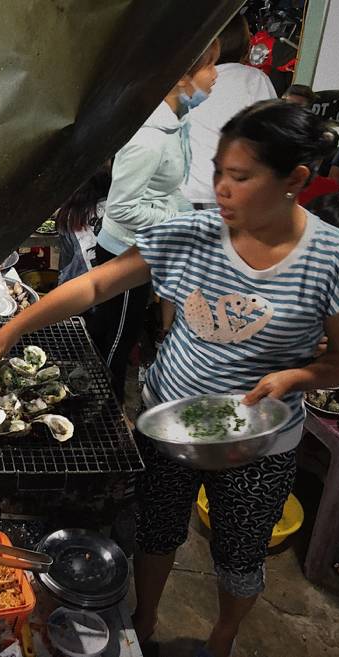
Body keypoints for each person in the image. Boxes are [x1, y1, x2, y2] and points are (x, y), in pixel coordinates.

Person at [0, 100, 339, 657]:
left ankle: (222, 637)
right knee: (156, 530)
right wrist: (16, 327)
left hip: (257, 444)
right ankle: (145, 619)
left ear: (294, 180)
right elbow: (99, 285)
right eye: (218, 170)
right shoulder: (192, 230)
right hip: (169, 421)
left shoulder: (331, 258)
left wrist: (296, 375)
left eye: (240, 177)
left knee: (239, 555)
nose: (220, 188)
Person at [88, 39, 220, 400]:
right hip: (122, 254)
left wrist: (187, 218)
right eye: (210, 66)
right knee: (115, 342)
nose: (216, 75)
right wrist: (176, 220)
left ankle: (99, 404)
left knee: (117, 334)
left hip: (145, 248)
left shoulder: (179, 121)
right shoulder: (149, 138)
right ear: (180, 77)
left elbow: (167, 190)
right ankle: (102, 414)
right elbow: (121, 209)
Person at [183, 14, 276, 208]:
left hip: (182, 192)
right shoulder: (253, 79)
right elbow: (272, 136)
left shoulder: (186, 80)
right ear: (243, 41)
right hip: (229, 194)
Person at [55, 165, 111, 285]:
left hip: (82, 290)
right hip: (115, 284)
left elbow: (65, 266)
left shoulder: (69, 216)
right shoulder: (117, 208)